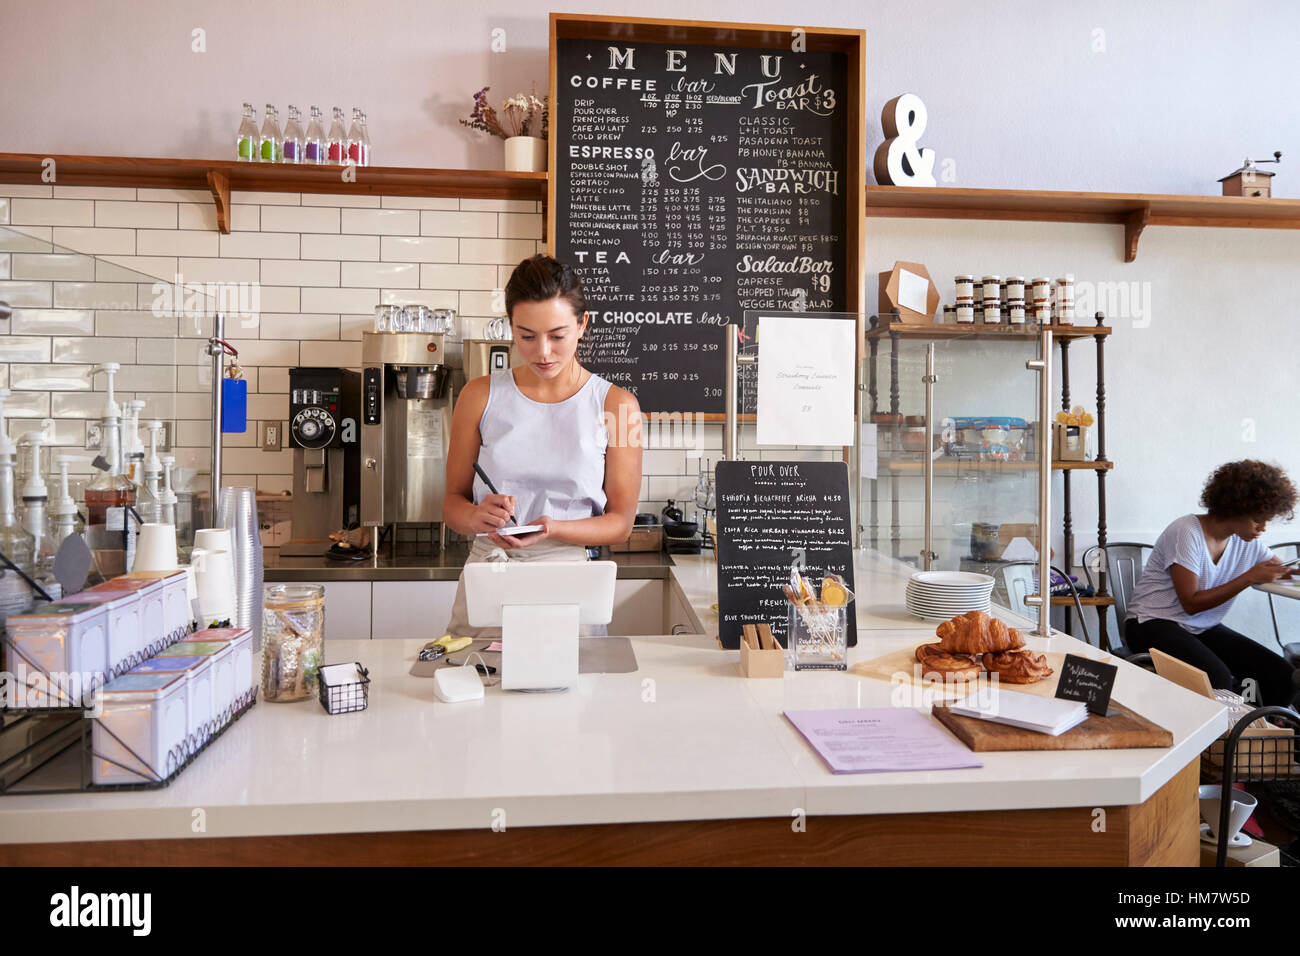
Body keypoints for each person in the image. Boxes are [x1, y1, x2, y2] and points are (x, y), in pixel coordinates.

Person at [441, 254, 643, 637]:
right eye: (527, 336)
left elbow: (621, 524)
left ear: (582, 324)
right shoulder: (478, 395)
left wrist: (553, 528)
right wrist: (475, 517)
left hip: (567, 579)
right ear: (511, 328)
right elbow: (452, 502)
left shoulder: (619, 406)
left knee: (569, 690)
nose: (543, 352)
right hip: (490, 573)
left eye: (557, 335)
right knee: (474, 687)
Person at [1125, 459, 1299, 707]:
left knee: (1282, 675)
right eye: (1257, 519)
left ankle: (1258, 735)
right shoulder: (1186, 532)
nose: (1263, 527)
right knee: (1216, 677)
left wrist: (1290, 572)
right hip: (1151, 623)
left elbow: (1285, 573)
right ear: (1235, 508)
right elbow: (1191, 603)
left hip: (1199, 628)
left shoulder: (1246, 540)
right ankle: (1220, 742)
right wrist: (1248, 578)